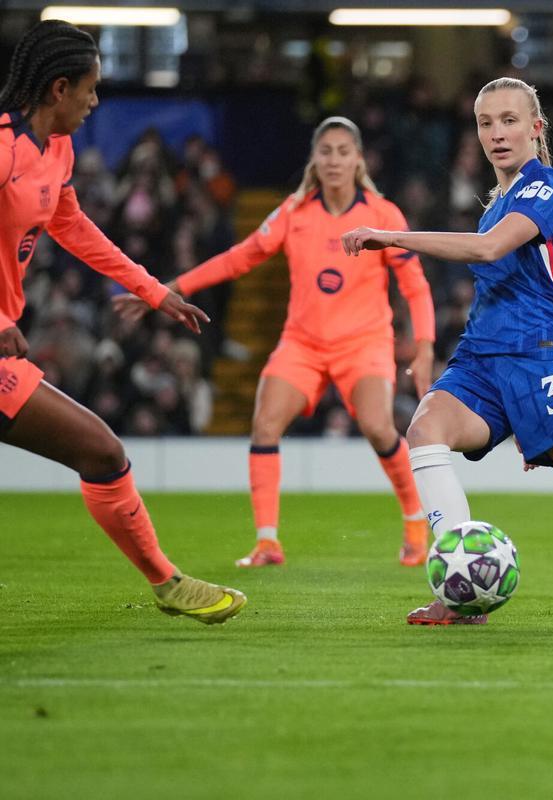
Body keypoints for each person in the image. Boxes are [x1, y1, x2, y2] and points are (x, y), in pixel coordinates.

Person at [342, 77, 553, 625]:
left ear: (535, 128)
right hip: (481, 359)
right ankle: (461, 593)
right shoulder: (496, 203)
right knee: (426, 431)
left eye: (508, 120)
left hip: (544, 359)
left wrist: (393, 236)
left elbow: (488, 248)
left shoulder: (550, 188)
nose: (497, 133)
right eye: (485, 122)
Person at [0, 20, 244, 623]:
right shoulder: (2, 148)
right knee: (103, 451)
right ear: (59, 88)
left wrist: (153, 290)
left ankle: (168, 582)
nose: (95, 101)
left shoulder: (55, 150)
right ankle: (167, 581)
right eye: (90, 88)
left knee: (103, 452)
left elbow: (74, 227)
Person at [116, 117, 436, 567]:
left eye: (344, 151)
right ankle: (267, 542)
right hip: (302, 344)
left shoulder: (384, 216)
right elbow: (241, 256)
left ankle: (415, 523)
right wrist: (172, 288)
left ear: (359, 159)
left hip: (363, 343)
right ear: (314, 158)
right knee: (265, 425)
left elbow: (415, 285)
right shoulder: (294, 212)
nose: (334, 160)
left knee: (378, 427)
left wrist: (423, 347)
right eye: (325, 151)